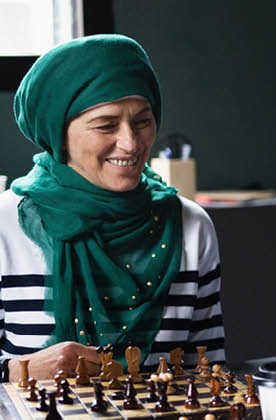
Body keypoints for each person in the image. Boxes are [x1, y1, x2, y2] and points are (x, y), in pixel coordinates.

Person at [0, 35, 226, 383]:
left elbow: (209, 371)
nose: (132, 143)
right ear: (58, 133)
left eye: (142, 120)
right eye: (106, 125)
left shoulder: (192, 227)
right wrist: (16, 371)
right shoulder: (4, 227)